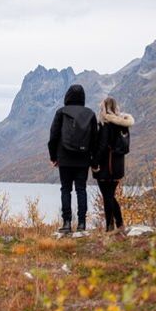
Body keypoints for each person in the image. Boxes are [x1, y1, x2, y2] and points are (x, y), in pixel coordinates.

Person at [48, 84, 98, 233]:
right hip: (83, 159)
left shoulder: (61, 112)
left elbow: (54, 136)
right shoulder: (90, 114)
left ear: (67, 96)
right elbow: (94, 140)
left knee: (66, 190)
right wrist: (93, 160)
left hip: (64, 158)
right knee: (81, 190)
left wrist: (53, 157)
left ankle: (67, 223)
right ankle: (82, 224)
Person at [92, 97, 134, 231]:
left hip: (106, 166)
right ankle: (118, 224)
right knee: (110, 195)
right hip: (118, 167)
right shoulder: (123, 125)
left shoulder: (106, 123)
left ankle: (111, 226)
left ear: (104, 107)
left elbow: (103, 146)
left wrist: (95, 162)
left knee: (107, 196)